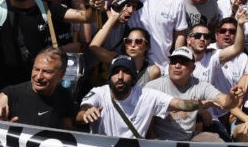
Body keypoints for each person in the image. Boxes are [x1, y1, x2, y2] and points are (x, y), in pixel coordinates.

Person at [77, 55, 208, 138]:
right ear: (109, 76)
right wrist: (86, 113)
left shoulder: (145, 94)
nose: (120, 77)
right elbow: (81, 114)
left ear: (133, 78)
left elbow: (179, 104)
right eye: (116, 72)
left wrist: (203, 104)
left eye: (126, 72)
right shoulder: (100, 92)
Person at [104, 0, 189, 69]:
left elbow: (180, 35)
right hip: (132, 66)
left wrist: (177, 61)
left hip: (161, 66)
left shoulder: (177, 2)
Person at [146, 48, 238, 142]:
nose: (177, 66)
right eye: (173, 62)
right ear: (169, 65)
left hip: (189, 138)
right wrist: (152, 137)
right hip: (161, 139)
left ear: (193, 68)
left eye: (183, 62)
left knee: (217, 142)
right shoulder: (153, 87)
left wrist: (232, 97)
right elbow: (144, 116)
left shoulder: (200, 85)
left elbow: (225, 102)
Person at [0, 48, 77, 129]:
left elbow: (67, 134)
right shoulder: (8, 97)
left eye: (47, 72)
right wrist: (3, 130)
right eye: (36, 69)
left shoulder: (64, 96)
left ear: (62, 75)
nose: (38, 77)